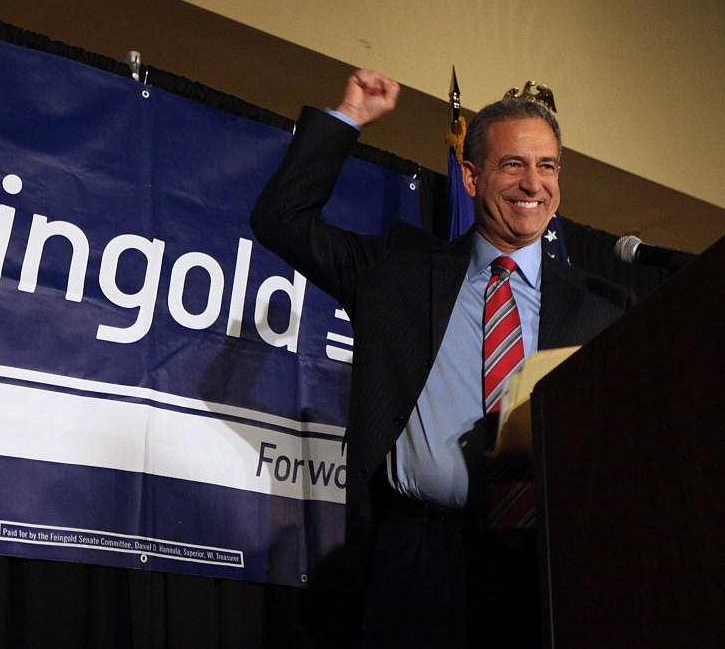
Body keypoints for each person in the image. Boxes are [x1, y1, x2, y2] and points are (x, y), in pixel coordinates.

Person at [250, 69, 635, 647]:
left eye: (548, 166)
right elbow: (281, 219)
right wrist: (348, 117)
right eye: (513, 164)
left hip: (542, 562)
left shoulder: (602, 308)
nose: (533, 183)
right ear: (472, 176)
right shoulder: (397, 272)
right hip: (417, 557)